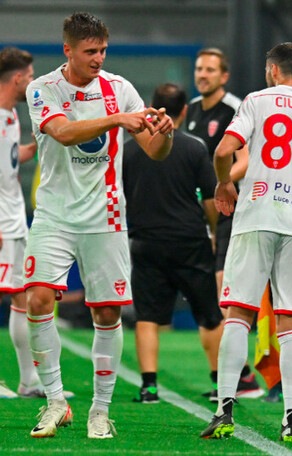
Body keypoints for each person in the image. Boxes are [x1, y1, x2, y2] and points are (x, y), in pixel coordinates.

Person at [24, 12, 174, 439]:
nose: (98, 58)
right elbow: (65, 132)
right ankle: (55, 401)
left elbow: (155, 151)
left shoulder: (120, 88)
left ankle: (99, 411)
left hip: (105, 216)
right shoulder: (43, 88)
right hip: (54, 214)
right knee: (37, 300)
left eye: (103, 50)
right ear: (67, 49)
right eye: (90, 52)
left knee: (107, 311)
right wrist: (117, 121)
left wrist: (164, 132)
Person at [198, 42, 292, 442]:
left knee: (238, 313)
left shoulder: (256, 101)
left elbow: (224, 150)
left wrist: (223, 182)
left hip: (257, 216)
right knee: (291, 323)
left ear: (271, 70)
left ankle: (224, 409)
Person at [122, 83, 223, 404]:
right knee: (209, 314)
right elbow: (210, 200)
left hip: (145, 240)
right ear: (183, 111)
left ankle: (149, 386)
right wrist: (213, 234)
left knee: (148, 317)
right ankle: (221, 382)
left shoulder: (128, 149)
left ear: (153, 107)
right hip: (189, 240)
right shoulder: (194, 148)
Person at [186, 47, 260, 401]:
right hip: (205, 212)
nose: (202, 74)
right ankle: (239, 376)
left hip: (234, 210)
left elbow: (249, 158)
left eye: (210, 70)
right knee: (216, 295)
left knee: (226, 293)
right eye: (199, 68)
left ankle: (246, 375)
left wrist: (222, 182)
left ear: (224, 75)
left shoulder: (235, 108)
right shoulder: (191, 111)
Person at [0, 46, 41, 398]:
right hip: (0, 223)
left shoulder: (11, 116)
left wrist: (41, 143)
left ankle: (28, 380)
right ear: (17, 79)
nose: (32, 82)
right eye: (29, 77)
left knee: (21, 298)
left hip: (15, 221)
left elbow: (12, 159)